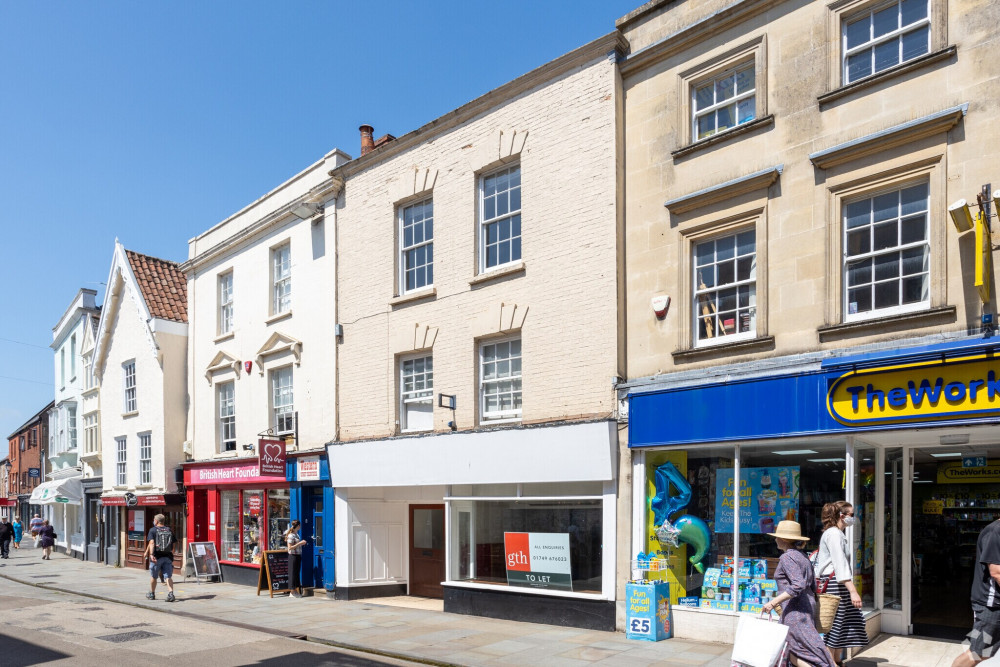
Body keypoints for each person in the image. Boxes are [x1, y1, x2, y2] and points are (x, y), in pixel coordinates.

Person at [762, 520, 836, 667]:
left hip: (795, 612)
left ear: (782, 539)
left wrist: (773, 602)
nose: (775, 539)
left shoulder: (787, 557)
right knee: (794, 648)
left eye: (777, 537)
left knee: (798, 648)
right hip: (804, 607)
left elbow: (798, 584)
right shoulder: (802, 556)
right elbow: (812, 585)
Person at [816, 501, 869, 666]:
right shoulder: (834, 534)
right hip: (835, 585)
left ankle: (837, 661)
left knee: (843, 624)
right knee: (836, 626)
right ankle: (830, 662)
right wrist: (853, 590)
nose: (853, 518)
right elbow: (840, 564)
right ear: (842, 516)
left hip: (837, 585)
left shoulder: (836, 533)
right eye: (851, 515)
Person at [952, 517, 1000, 666]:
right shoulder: (995, 531)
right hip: (990, 605)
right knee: (977, 653)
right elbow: (996, 572)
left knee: (985, 652)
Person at [144, 514, 176, 602]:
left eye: (154, 520)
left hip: (156, 557)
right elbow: (173, 544)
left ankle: (152, 594)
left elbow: (152, 543)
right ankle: (171, 594)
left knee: (154, 577)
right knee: (168, 576)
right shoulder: (169, 530)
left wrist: (151, 554)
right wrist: (170, 553)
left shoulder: (153, 530)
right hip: (168, 557)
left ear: (156, 521)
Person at [285, 520, 307, 598]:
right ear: (297, 526)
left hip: (297, 555)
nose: (300, 527)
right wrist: (300, 543)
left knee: (296, 573)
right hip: (293, 556)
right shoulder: (291, 535)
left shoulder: (296, 535)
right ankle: (292, 591)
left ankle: (295, 590)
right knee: (292, 574)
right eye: (299, 525)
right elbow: (290, 547)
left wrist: (300, 544)